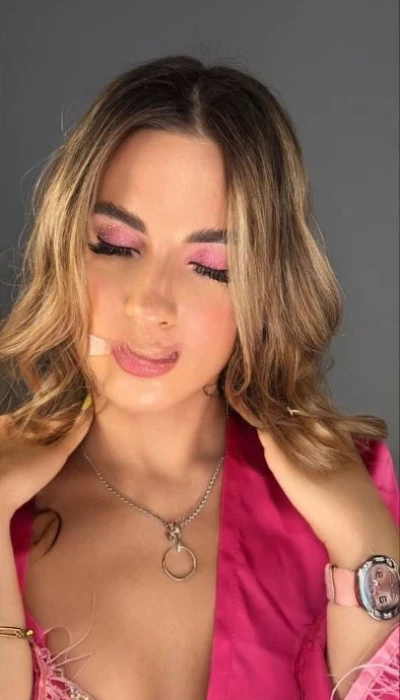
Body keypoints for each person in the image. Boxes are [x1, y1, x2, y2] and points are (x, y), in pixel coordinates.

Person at [0, 53, 398, 700]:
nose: (150, 305)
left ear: (264, 287)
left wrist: (365, 542)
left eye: (211, 267)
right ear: (66, 248)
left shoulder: (351, 491)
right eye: (117, 246)